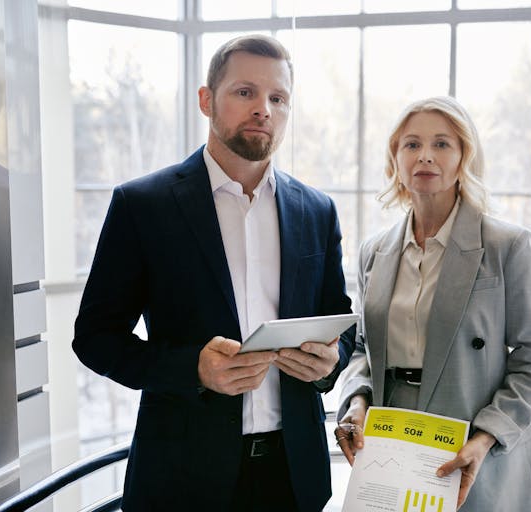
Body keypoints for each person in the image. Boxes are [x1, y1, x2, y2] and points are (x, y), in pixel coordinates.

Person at [73, 34, 355, 512]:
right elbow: (95, 338)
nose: (263, 108)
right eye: (245, 92)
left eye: (278, 98)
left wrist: (331, 364)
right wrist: (194, 370)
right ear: (207, 100)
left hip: (295, 476)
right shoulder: (142, 205)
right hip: (182, 478)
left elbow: (340, 323)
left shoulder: (317, 210)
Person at [336, 96, 531, 511]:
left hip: (478, 446)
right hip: (395, 446)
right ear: (395, 159)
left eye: (442, 144)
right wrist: (357, 401)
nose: (425, 156)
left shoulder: (505, 245)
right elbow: (363, 349)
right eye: (411, 144)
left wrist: (486, 436)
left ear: (463, 158)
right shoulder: (374, 251)